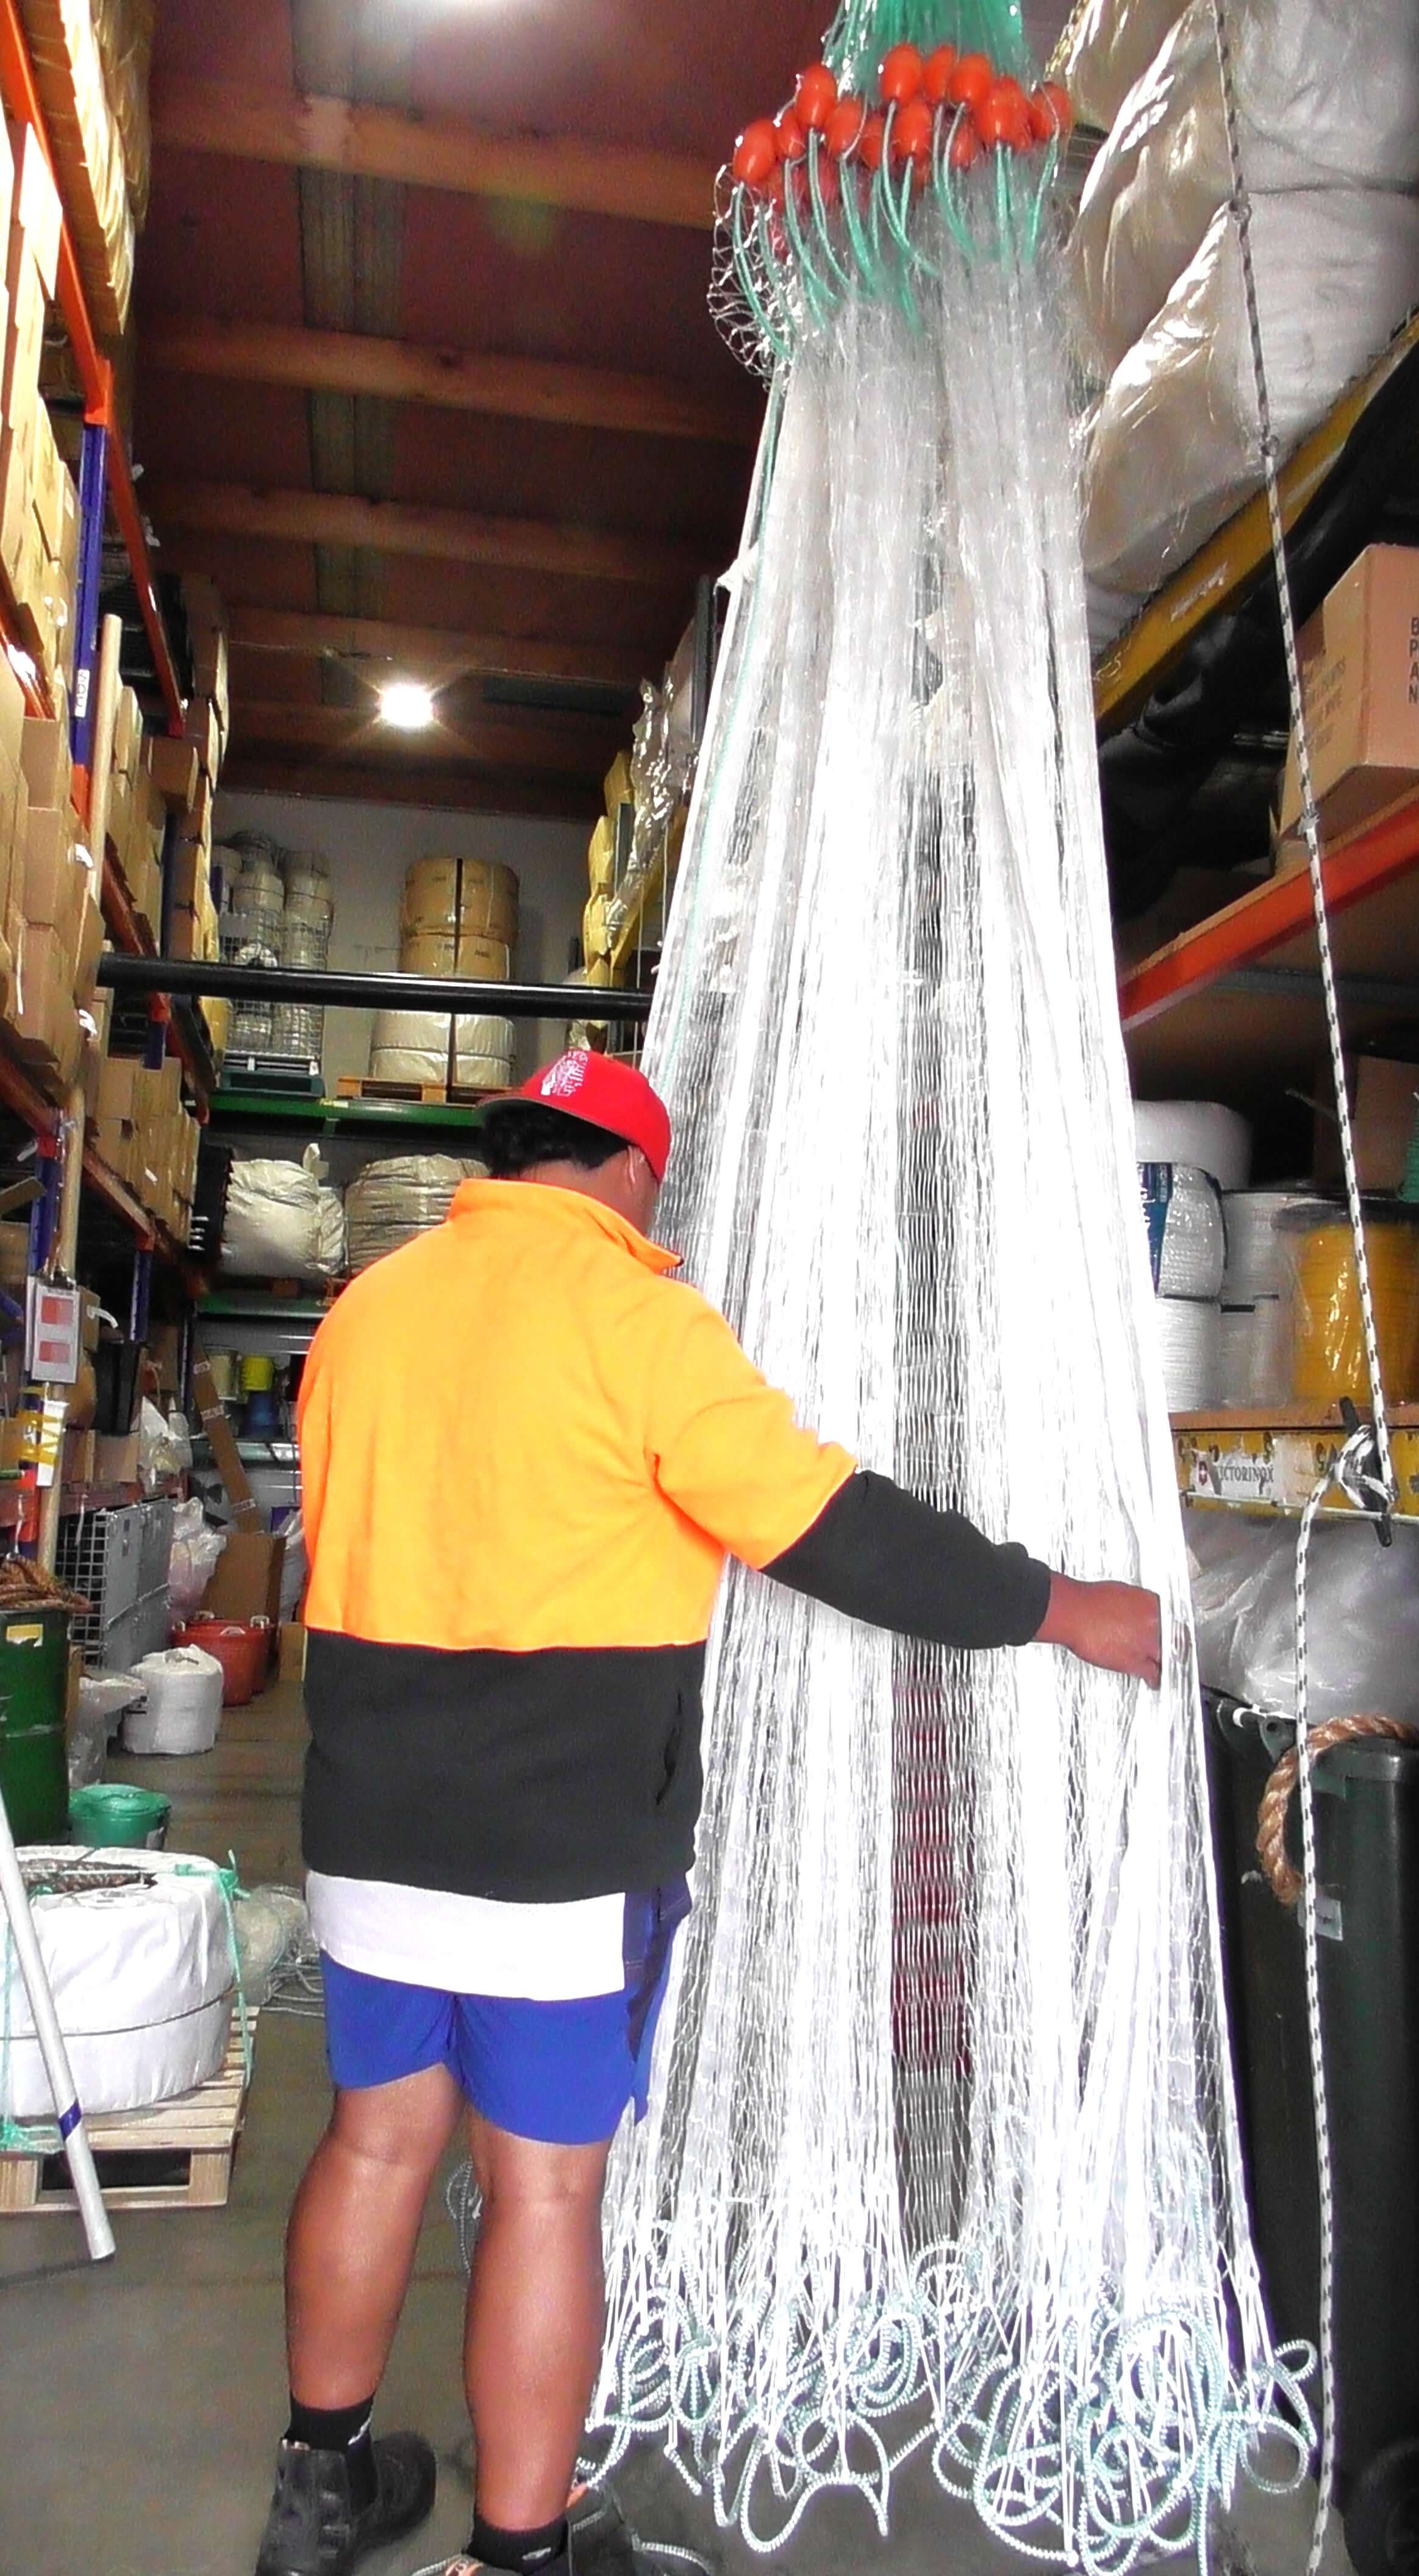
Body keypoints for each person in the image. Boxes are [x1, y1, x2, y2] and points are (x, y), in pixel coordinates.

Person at [255, 1048, 1160, 2576]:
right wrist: (1062, 1607)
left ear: (516, 1155)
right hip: (554, 1848)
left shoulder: (370, 1311)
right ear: (631, 1172)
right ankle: (522, 2552)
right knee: (545, 2187)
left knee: (375, 2142)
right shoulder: (639, 1320)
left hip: (367, 1821)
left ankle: (319, 2494)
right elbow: (825, 1525)